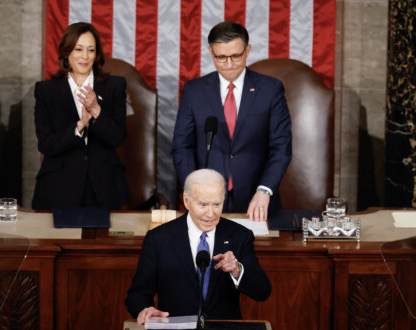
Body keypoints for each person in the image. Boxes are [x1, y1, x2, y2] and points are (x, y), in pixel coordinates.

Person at [171, 21, 292, 221]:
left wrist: (265, 190)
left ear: (247, 50)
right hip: (206, 200)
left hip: (257, 198)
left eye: (236, 56)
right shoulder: (194, 91)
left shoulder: (270, 90)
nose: (229, 64)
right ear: (211, 53)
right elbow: (181, 147)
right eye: (221, 57)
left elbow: (281, 146)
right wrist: (195, 189)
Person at [125, 169, 271, 325]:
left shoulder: (239, 236)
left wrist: (237, 270)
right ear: (187, 201)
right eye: (203, 205)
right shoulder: (158, 239)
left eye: (217, 204)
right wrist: (145, 309)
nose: (211, 214)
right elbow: (137, 295)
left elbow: (262, 291)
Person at [32, 22, 129, 210]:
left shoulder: (115, 86)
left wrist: (96, 110)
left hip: (105, 186)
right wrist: (78, 128)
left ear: (97, 54)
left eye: (91, 50)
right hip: (58, 187)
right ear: (67, 52)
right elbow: (46, 144)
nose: (85, 56)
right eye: (78, 49)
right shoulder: (46, 91)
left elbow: (118, 137)